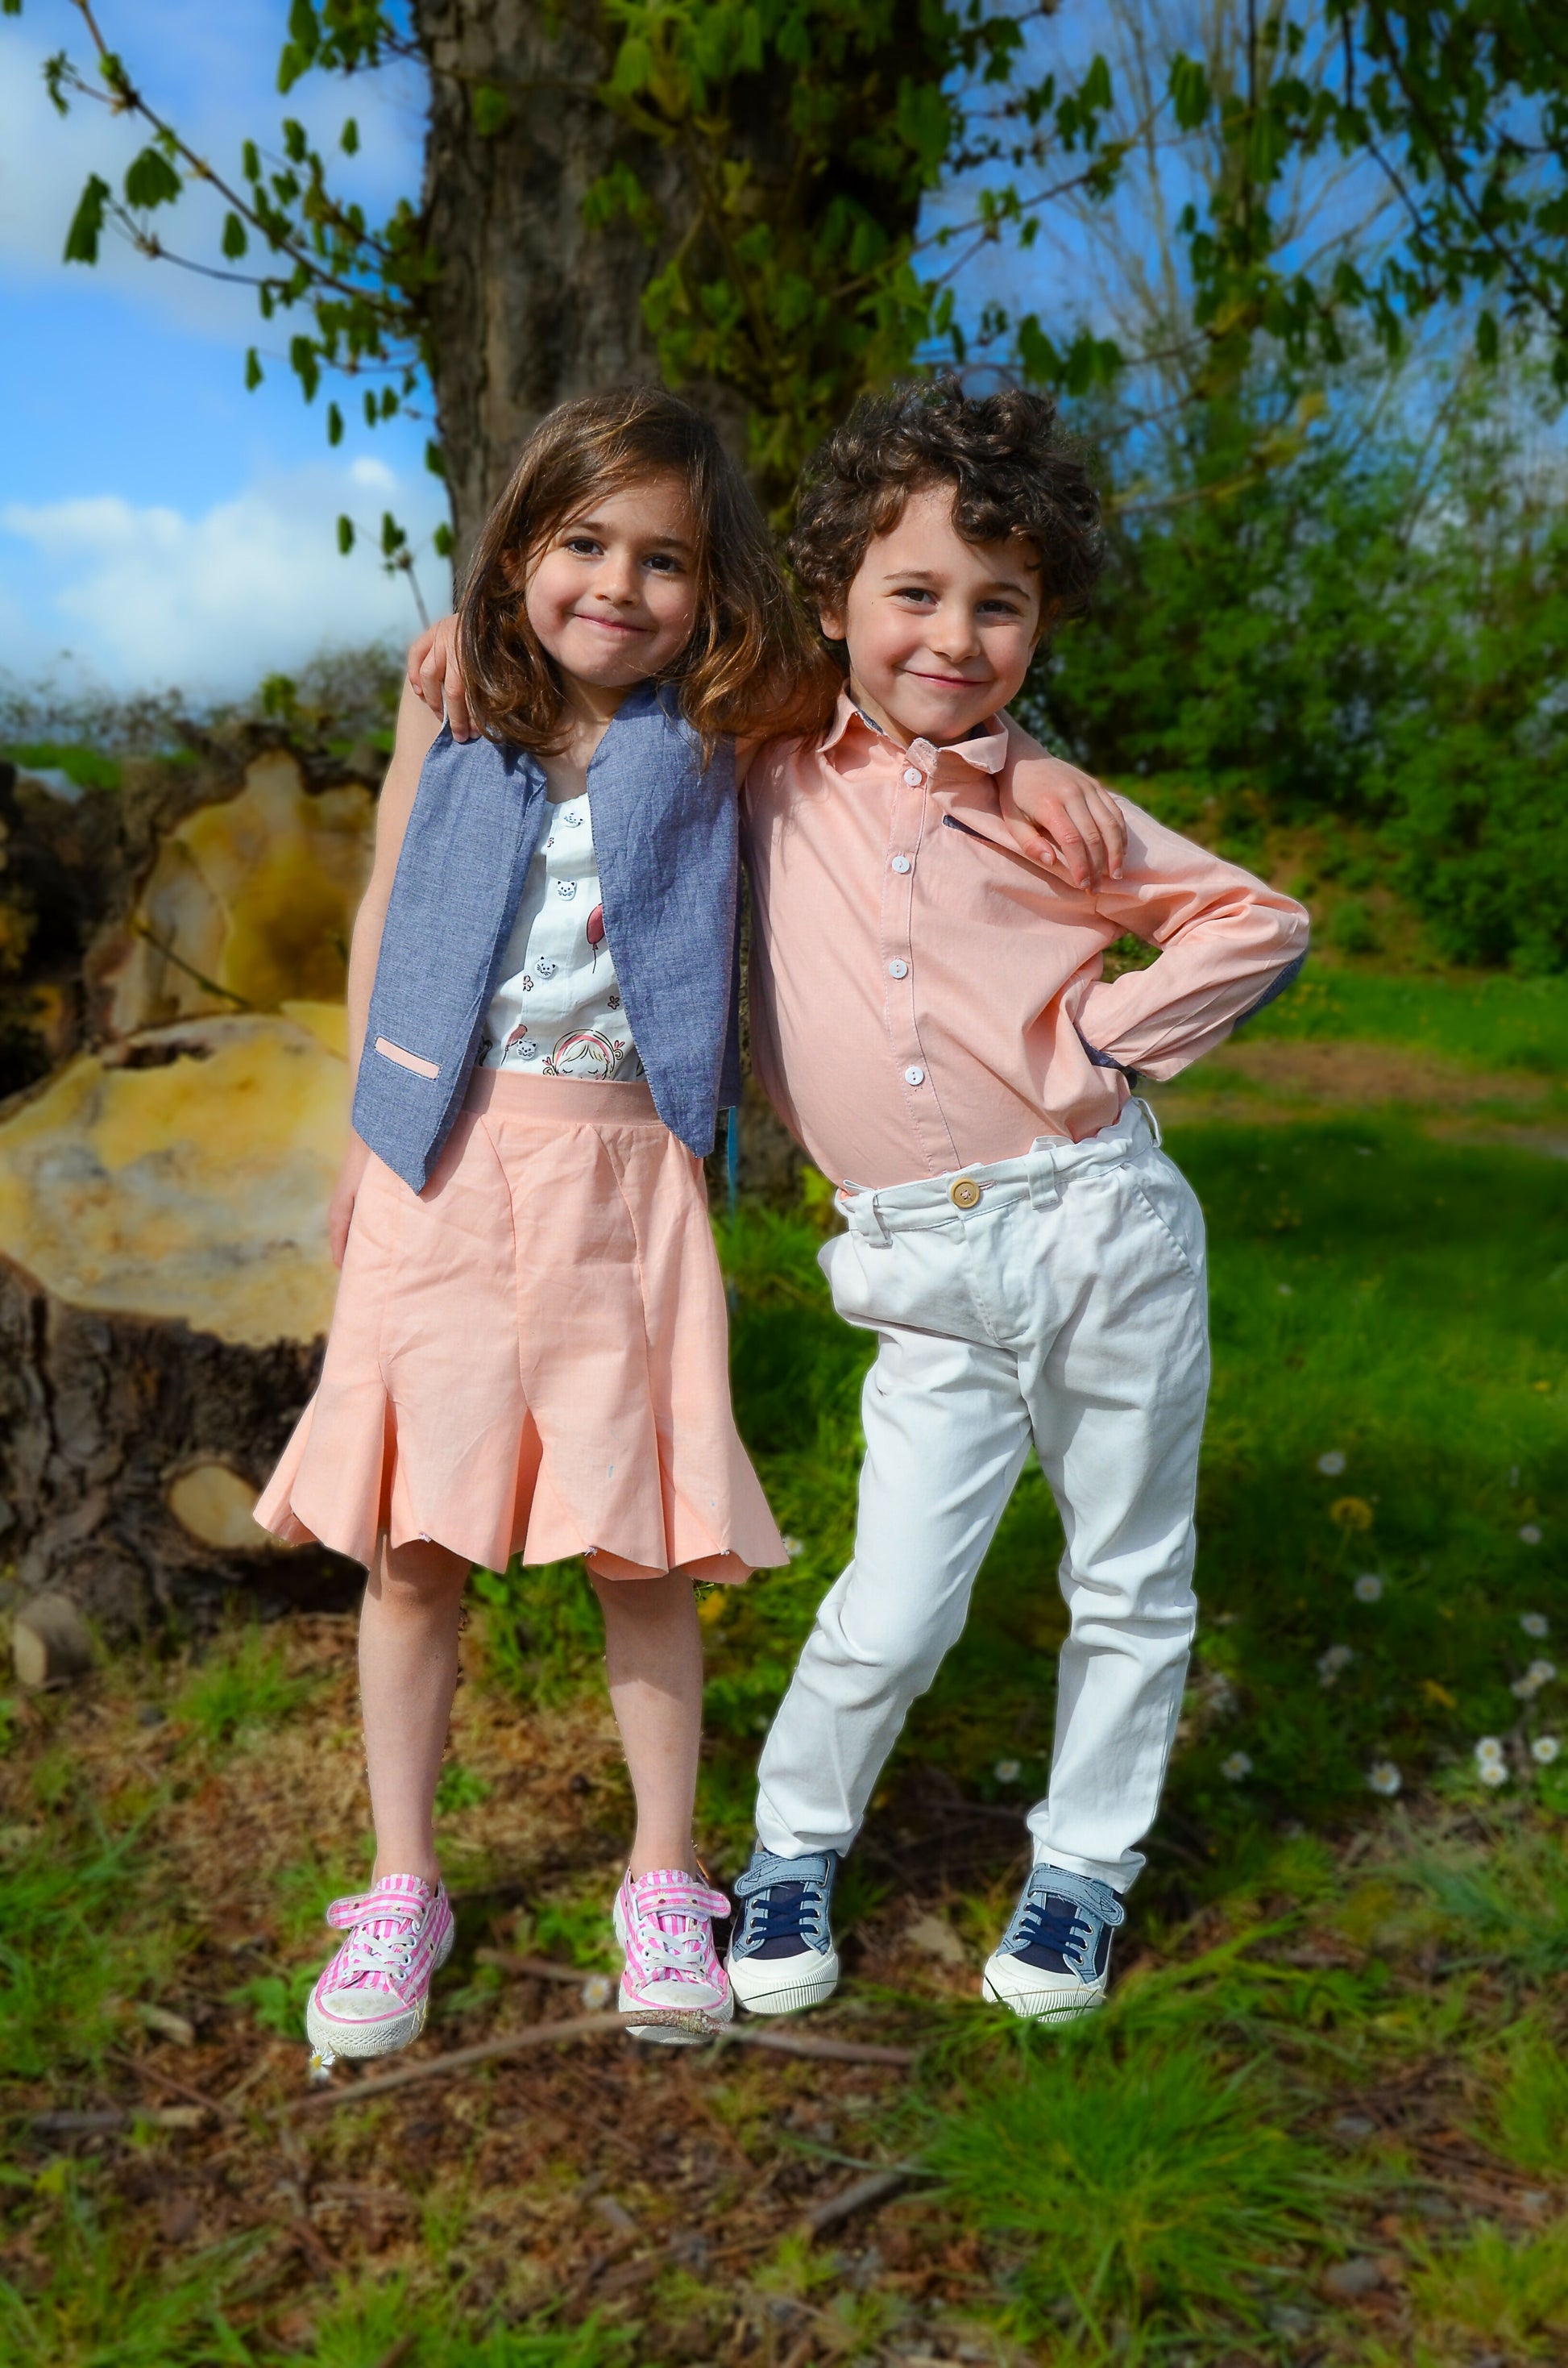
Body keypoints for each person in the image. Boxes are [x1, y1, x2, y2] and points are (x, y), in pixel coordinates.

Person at [410, 379, 1300, 2029]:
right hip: (917, 1264)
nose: (951, 636)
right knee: (890, 1592)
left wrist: (1101, 1034)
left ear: (1040, 625)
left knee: (1126, 1573)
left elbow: (1255, 921)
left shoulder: (1054, 805)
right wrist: (473, 657)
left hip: (1100, 1224)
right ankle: (797, 1838)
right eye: (913, 591)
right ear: (832, 598)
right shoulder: (763, 751)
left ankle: (1081, 1868)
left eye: (998, 603)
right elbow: (609, 658)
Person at [255, 387, 835, 2060]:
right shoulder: (454, 702)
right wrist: (369, 1136)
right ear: (513, 550)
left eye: (665, 559)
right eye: (580, 543)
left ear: (711, 592)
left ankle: (663, 1869)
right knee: (411, 1547)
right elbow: (384, 901)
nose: (616, 585)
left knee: (641, 1536)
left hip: (623, 1181)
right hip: (441, 1162)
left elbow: (813, 659)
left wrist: (724, 610)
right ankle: (402, 1877)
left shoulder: (717, 717)